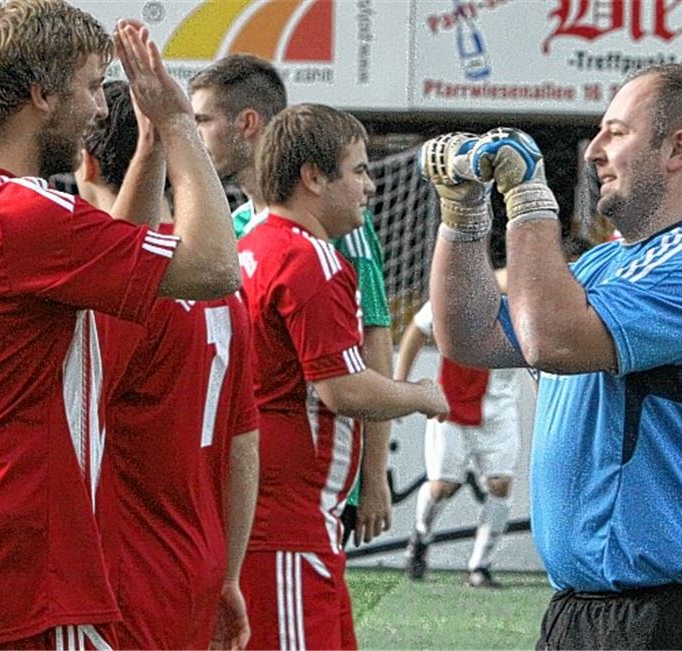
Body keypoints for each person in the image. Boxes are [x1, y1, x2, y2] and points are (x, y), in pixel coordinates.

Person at [0, 1, 239, 648]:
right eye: (87, 86)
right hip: (17, 575)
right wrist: (180, 125)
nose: (101, 109)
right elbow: (216, 266)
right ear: (41, 94)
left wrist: (155, 146)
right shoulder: (24, 214)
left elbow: (110, 256)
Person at [424, 63, 682, 648]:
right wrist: (462, 219)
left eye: (615, 132)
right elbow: (469, 336)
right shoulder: (601, 264)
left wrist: (531, 199)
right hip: (587, 610)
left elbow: (551, 339)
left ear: (677, 149)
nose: (593, 150)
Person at [237, 103, 448, 650]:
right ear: (313, 177)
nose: (371, 187)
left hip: (281, 514)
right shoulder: (312, 260)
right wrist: (419, 395)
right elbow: (344, 390)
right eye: (358, 170)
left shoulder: (252, 247)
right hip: (286, 524)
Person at [75, 79, 259, 650]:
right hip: (197, 559)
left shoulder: (102, 288)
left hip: (115, 563)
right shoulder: (224, 290)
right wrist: (229, 574)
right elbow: (243, 447)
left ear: (85, 162)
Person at [190, 55, 395, 548]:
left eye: (203, 121)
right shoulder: (235, 225)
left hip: (311, 483)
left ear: (246, 124)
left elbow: (375, 336)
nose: (195, 136)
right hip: (245, 468)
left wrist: (375, 476)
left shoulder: (339, 219)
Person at [398, 275, 521, 589]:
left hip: (499, 412)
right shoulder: (456, 294)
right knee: (442, 487)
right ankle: (420, 538)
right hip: (449, 407)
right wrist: (400, 382)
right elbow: (417, 329)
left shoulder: (525, 303)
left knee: (500, 483)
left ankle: (479, 566)